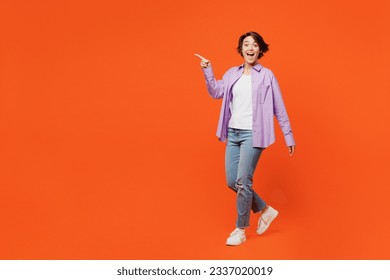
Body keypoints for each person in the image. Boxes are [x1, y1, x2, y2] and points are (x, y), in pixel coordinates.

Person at [195, 31, 296, 246]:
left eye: (255, 44)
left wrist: (288, 135)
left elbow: (279, 107)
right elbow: (215, 92)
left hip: (254, 134)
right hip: (233, 133)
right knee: (233, 181)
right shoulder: (232, 73)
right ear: (241, 49)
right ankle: (265, 210)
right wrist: (208, 70)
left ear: (260, 50)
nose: (251, 48)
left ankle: (240, 229)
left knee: (243, 181)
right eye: (246, 44)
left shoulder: (267, 75)